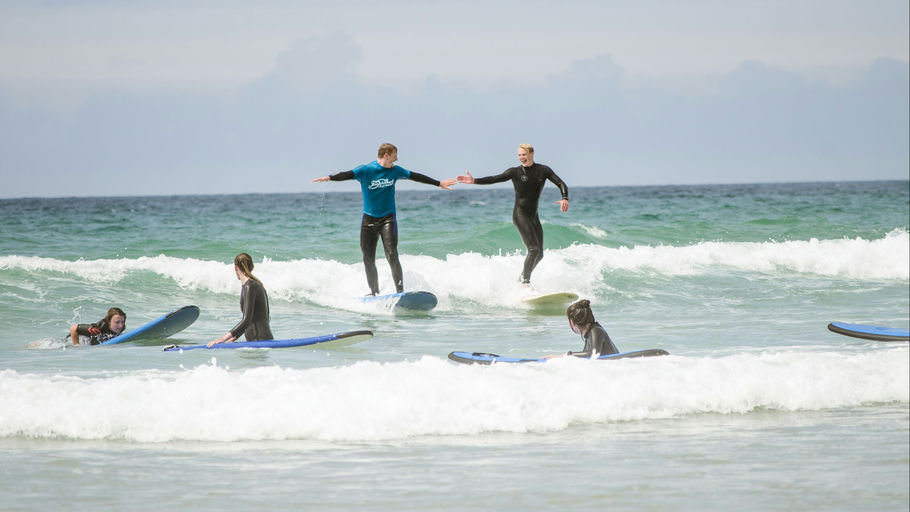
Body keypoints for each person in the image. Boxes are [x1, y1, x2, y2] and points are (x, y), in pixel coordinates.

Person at [313, 143, 456, 296]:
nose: (397, 159)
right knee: (368, 258)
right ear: (386, 155)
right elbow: (347, 174)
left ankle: (400, 292)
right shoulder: (366, 170)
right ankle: (374, 293)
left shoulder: (396, 171)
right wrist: (330, 178)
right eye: (395, 155)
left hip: (388, 218)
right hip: (368, 220)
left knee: (392, 253)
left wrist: (439, 183)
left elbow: (416, 176)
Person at [456, 144, 568, 288]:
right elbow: (494, 178)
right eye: (519, 155)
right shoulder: (514, 172)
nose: (521, 157)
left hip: (534, 216)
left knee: (539, 254)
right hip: (520, 214)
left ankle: (521, 279)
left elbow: (560, 183)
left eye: (524, 154)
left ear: (532, 154)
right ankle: (525, 283)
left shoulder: (543, 170)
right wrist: (474, 181)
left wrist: (565, 198)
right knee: (533, 249)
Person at [208, 253, 273, 347]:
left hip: (259, 343)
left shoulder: (249, 287)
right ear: (252, 267)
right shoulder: (253, 285)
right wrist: (232, 339)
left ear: (235, 267)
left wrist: (222, 339)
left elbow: (246, 320)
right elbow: (250, 320)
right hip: (260, 342)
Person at [546, 299, 618, 359]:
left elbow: (594, 354)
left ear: (572, 322)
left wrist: (565, 355)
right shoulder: (590, 334)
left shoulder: (596, 330)